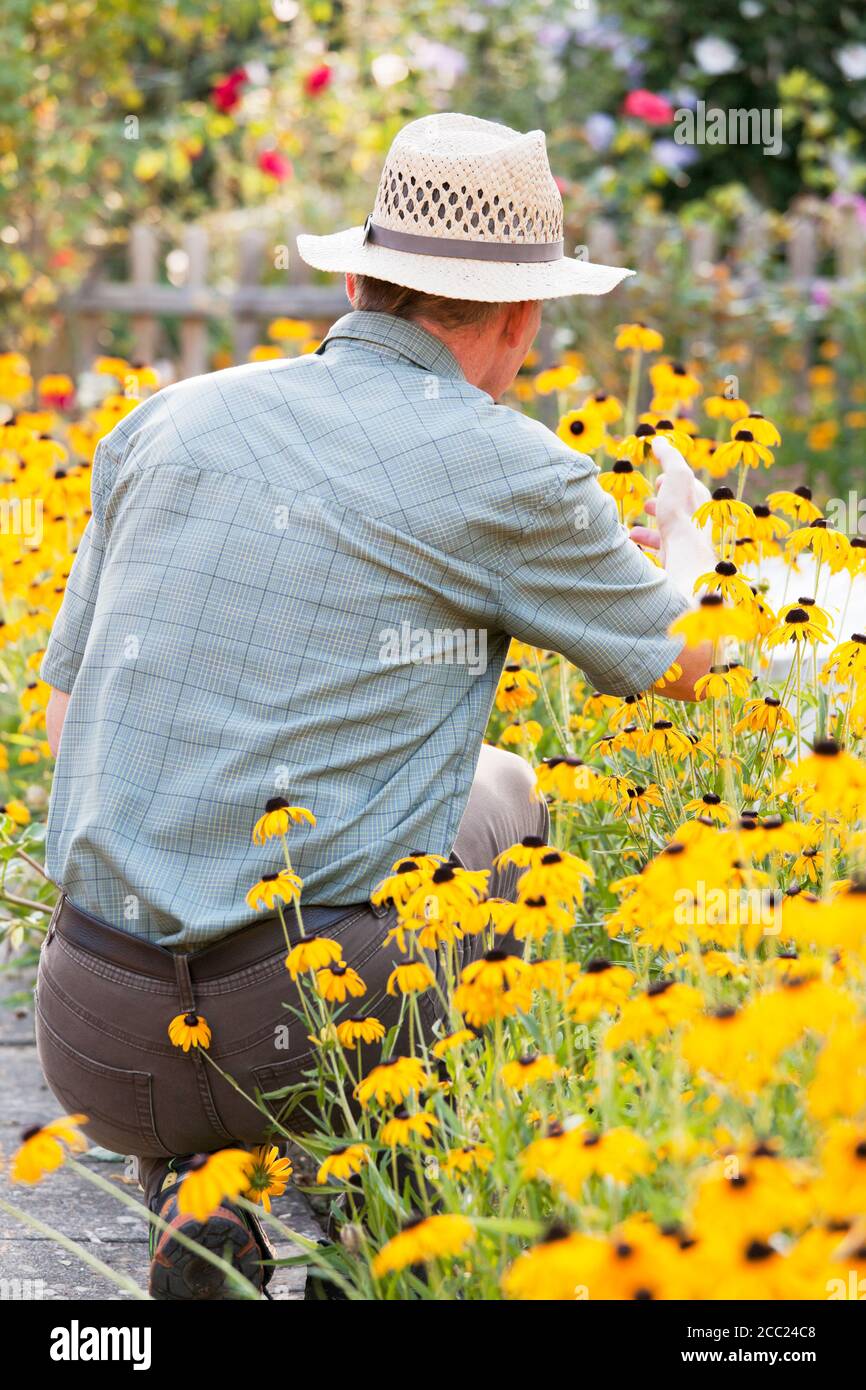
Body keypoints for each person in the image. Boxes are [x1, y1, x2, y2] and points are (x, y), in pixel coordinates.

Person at [37, 113, 714, 1298]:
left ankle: (200, 1185)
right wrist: (690, 546)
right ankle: (383, 1205)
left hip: (94, 1031)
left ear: (353, 279)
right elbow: (680, 662)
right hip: (317, 1027)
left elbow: (64, 718)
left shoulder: (169, 420)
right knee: (504, 790)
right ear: (521, 318)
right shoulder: (508, 466)